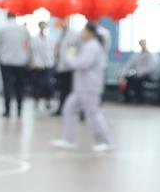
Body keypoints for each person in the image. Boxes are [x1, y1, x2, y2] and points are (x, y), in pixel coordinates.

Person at [52, 23, 114, 153]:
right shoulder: (87, 46)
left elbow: (82, 63)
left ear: (90, 33)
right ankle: (69, 139)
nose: (81, 34)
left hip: (89, 87)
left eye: (83, 31)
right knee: (69, 109)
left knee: (93, 114)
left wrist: (70, 57)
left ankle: (106, 141)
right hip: (81, 87)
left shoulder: (93, 47)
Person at [0, 13, 33, 117]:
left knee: (7, 86)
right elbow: (29, 46)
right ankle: (19, 109)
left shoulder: (2, 29)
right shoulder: (23, 30)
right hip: (21, 62)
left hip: (6, 62)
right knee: (20, 86)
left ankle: (7, 110)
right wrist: (27, 59)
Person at [121, 40, 160, 104]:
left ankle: (139, 99)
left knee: (138, 80)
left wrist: (141, 73)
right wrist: (123, 74)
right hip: (138, 74)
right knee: (128, 79)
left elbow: (151, 67)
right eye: (141, 44)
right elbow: (129, 65)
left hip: (149, 75)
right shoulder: (137, 55)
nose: (142, 45)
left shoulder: (152, 55)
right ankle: (127, 98)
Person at [51, 19, 77, 114]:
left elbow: (73, 49)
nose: (62, 24)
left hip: (69, 67)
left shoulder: (73, 34)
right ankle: (62, 108)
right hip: (62, 66)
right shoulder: (61, 35)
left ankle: (67, 109)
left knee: (68, 90)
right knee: (63, 90)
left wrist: (69, 61)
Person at [27, 21, 56, 106]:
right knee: (37, 84)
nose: (43, 28)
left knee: (47, 83)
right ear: (39, 27)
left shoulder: (50, 39)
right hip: (37, 65)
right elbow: (33, 52)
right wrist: (35, 63)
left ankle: (48, 100)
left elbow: (51, 51)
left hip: (48, 64)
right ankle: (36, 100)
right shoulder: (34, 39)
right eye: (42, 26)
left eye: (44, 26)